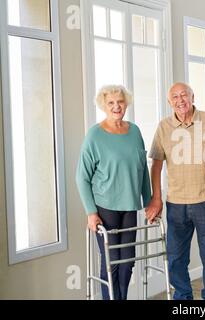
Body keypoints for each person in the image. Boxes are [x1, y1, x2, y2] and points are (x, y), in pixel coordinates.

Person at [146, 82, 205, 300]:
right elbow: (156, 165)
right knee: (175, 258)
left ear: (193, 96)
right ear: (169, 102)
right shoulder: (164, 127)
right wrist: (156, 198)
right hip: (176, 204)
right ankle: (183, 299)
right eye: (175, 97)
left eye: (184, 95)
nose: (180, 100)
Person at [76, 85, 151, 300]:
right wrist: (91, 212)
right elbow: (81, 176)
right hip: (105, 207)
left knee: (127, 262)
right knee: (111, 262)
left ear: (126, 103)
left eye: (120, 101)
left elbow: (142, 169)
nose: (116, 106)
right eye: (111, 103)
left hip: (130, 206)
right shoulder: (95, 135)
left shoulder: (134, 131)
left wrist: (149, 202)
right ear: (103, 105)